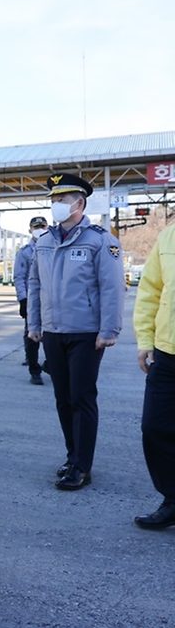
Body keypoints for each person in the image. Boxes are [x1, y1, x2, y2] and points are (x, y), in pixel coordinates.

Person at [27, 173, 124, 491]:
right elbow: (34, 284)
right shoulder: (44, 242)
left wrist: (109, 328)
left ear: (80, 203)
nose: (56, 205)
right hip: (53, 331)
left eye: (62, 200)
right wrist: (34, 324)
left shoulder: (100, 240)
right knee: (62, 399)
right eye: (53, 200)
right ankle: (73, 457)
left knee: (82, 397)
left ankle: (82, 465)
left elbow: (111, 288)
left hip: (86, 333)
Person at [132, 223, 175, 529]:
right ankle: (172, 498)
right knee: (154, 428)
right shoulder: (169, 236)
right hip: (166, 352)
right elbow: (150, 292)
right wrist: (145, 341)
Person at [14, 216, 48, 385]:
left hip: (50, 300)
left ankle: (50, 364)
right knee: (32, 335)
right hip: (32, 300)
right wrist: (23, 299)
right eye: (36, 227)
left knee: (51, 336)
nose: (39, 229)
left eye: (42, 226)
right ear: (30, 230)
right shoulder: (25, 252)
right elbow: (19, 277)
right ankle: (34, 369)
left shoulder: (53, 247)